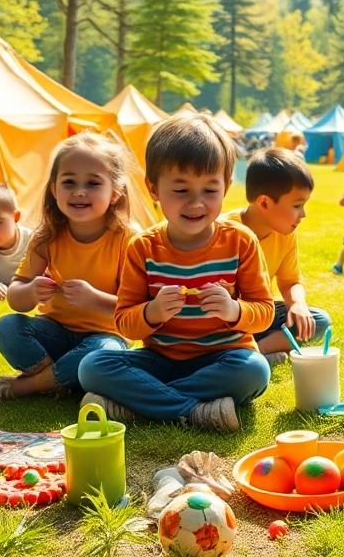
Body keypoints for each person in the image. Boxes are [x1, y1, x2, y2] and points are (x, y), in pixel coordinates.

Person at [78, 114, 273, 431]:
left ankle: (140, 406)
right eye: (181, 190)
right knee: (92, 367)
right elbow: (125, 322)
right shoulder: (143, 247)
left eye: (210, 190)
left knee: (254, 370)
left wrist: (234, 309)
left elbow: (264, 312)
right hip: (160, 362)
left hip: (223, 358)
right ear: (153, 188)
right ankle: (194, 411)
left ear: (227, 186)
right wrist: (153, 312)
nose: (196, 203)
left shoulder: (240, 241)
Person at [0, 134, 134, 407]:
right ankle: (62, 380)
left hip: (106, 337)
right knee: (7, 327)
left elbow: (137, 309)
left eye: (93, 183)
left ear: (115, 191)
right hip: (54, 335)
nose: (79, 191)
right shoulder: (47, 236)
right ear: (54, 190)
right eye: (69, 182)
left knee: (101, 354)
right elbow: (16, 297)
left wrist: (94, 299)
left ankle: (26, 386)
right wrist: (31, 291)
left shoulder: (128, 239)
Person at [228, 148, 331, 367]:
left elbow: (290, 280)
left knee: (319, 321)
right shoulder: (224, 231)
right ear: (264, 203)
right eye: (297, 205)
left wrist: (298, 304)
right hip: (228, 318)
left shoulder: (286, 235)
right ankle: (246, 350)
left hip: (262, 315)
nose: (303, 214)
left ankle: (258, 350)